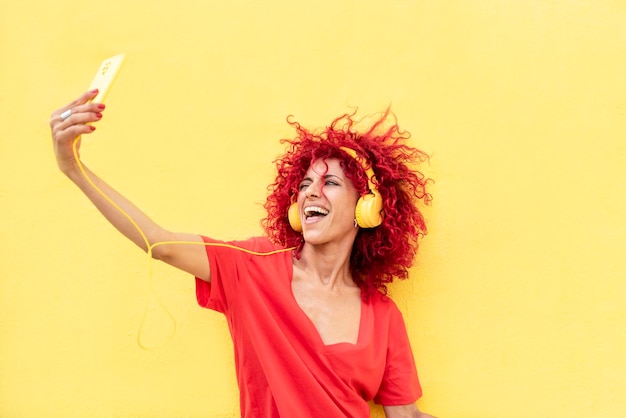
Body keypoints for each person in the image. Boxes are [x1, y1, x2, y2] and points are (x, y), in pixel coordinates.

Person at [49, 89, 436, 418]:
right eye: (304, 184)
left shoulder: (383, 316)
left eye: (331, 182)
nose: (311, 192)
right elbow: (160, 243)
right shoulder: (252, 266)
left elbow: (404, 414)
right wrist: (74, 167)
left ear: (366, 207)